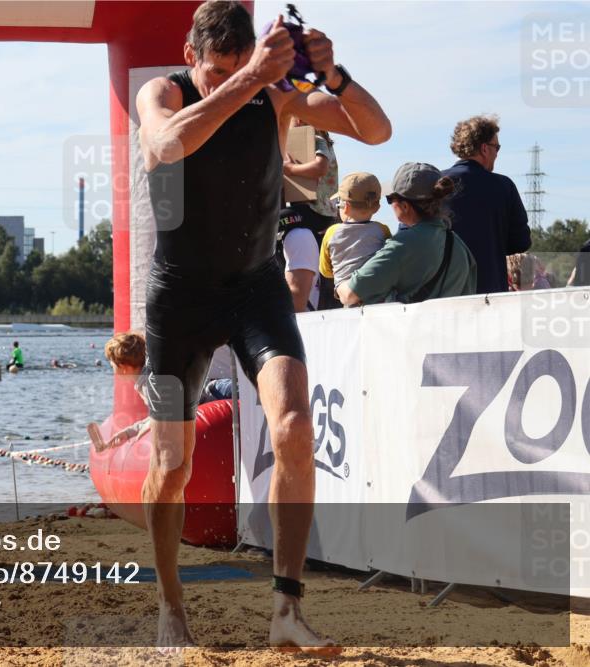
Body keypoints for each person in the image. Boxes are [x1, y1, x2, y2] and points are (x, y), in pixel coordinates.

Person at [136, 0, 390, 653]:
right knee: (172, 463)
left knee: (294, 427)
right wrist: (248, 78)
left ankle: (286, 609)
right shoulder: (161, 91)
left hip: (255, 287)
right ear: (192, 57)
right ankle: (170, 605)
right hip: (179, 299)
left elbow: (376, 130)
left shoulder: (273, 95)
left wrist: (333, 77)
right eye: (214, 72)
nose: (224, 83)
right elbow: (166, 145)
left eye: (235, 70)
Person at [338, 163, 476, 306]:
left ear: (405, 206)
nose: (390, 204)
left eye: (390, 198)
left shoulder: (402, 245)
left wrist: (339, 282)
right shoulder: (458, 245)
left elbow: (350, 294)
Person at [442, 115, 531, 293]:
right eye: (496, 147)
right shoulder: (504, 186)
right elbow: (521, 242)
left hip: (445, 293)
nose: (497, 152)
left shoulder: (436, 183)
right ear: (484, 148)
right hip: (490, 293)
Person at [319, 172, 390, 300]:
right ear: (377, 207)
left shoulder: (331, 233)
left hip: (346, 295)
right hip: (379, 295)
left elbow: (325, 271)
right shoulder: (382, 230)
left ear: (345, 207)